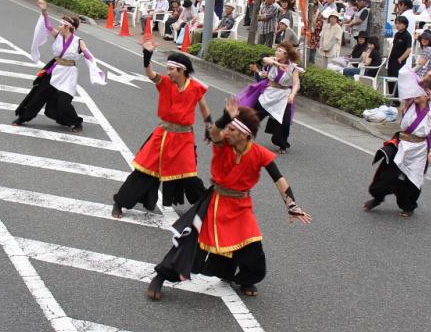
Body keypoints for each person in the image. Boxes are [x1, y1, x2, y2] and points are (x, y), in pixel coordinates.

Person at [145, 97, 311, 300]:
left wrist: (291, 204)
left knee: (252, 248)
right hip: (215, 202)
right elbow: (214, 132)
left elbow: (279, 179)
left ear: (245, 134)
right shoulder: (222, 145)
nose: (226, 133)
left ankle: (246, 279)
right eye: (227, 128)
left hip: (241, 205)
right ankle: (160, 277)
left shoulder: (259, 153)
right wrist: (225, 118)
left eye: (232, 130)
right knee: (190, 243)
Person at [111, 43, 210, 219]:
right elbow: (151, 74)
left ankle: (206, 206)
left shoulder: (195, 87)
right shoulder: (165, 83)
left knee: (190, 175)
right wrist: (147, 56)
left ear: (181, 70)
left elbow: (203, 107)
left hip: (184, 137)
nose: (168, 72)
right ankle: (120, 202)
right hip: (163, 135)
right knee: (144, 171)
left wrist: (209, 125)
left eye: (171, 69)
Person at [14, 0, 105, 132]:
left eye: (62, 25)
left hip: (68, 74)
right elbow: (48, 25)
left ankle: (76, 122)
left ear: (68, 27)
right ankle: (22, 118)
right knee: (38, 95)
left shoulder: (78, 42)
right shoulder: (58, 36)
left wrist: (93, 65)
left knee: (63, 103)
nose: (59, 26)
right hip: (54, 69)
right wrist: (44, 11)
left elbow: (88, 55)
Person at [365, 69, 431, 218]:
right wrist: (425, 78)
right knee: (386, 176)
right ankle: (378, 197)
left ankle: (408, 206)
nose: (417, 93)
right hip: (401, 145)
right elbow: (411, 85)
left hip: (419, 150)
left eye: (422, 91)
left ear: (429, 95)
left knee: (412, 181)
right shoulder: (409, 103)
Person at [239, 42, 301, 153]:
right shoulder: (273, 61)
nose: (277, 52)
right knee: (253, 116)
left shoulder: (293, 68)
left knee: (284, 122)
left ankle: (282, 144)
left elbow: (296, 84)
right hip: (269, 93)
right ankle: (243, 136)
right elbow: (264, 60)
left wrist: (292, 95)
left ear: (286, 54)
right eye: (277, 50)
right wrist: (277, 65)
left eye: (280, 51)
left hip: (283, 96)